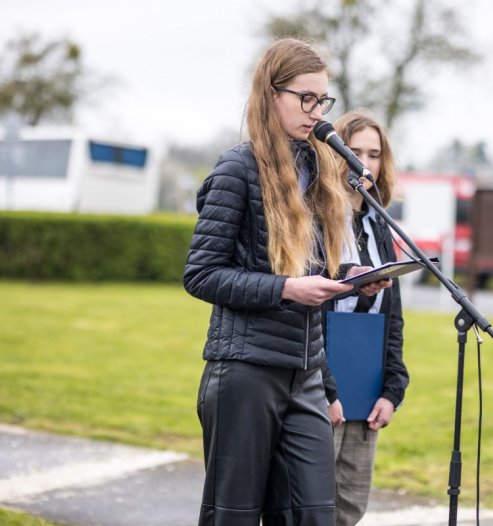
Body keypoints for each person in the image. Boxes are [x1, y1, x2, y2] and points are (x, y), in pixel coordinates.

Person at [182, 39, 390, 526]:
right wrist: (285, 289)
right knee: (232, 516)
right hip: (244, 371)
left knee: (313, 516)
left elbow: (306, 270)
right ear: (270, 94)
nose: (317, 113)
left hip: (306, 374)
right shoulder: (238, 169)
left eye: (323, 101)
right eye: (305, 98)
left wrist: (347, 278)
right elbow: (201, 274)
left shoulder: (316, 173)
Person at [321, 110, 409, 526]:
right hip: (318, 383)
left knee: (350, 507)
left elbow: (393, 318)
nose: (364, 163)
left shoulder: (380, 226)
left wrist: (392, 389)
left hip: (366, 381)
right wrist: (325, 387)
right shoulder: (313, 218)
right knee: (309, 504)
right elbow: (303, 300)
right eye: (353, 152)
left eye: (373, 154)